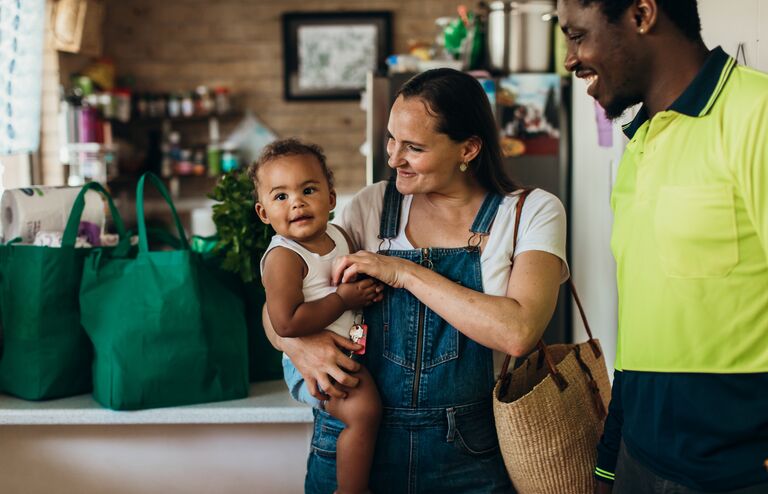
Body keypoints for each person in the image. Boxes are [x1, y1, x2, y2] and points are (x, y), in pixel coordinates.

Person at [263, 69, 569, 493]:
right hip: (353, 451)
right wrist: (299, 344)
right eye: (391, 139)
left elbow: (518, 332)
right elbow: (279, 308)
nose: (393, 159)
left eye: (414, 147)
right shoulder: (372, 205)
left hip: (469, 457)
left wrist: (404, 271)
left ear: (469, 148)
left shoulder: (530, 213)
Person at [557, 0, 768, 492]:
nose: (570, 59)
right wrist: (612, 459)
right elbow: (641, 325)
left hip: (735, 475)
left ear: (643, 14)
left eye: (576, 35)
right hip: (640, 463)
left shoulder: (756, 115)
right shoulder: (642, 141)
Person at [252, 138, 383, 494]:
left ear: (331, 198)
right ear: (264, 212)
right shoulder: (284, 257)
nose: (296, 202)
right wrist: (343, 298)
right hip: (310, 365)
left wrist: (366, 287)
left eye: (308, 189)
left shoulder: (338, 235)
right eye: (280, 196)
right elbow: (286, 323)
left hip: (348, 345)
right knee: (364, 411)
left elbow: (350, 278)